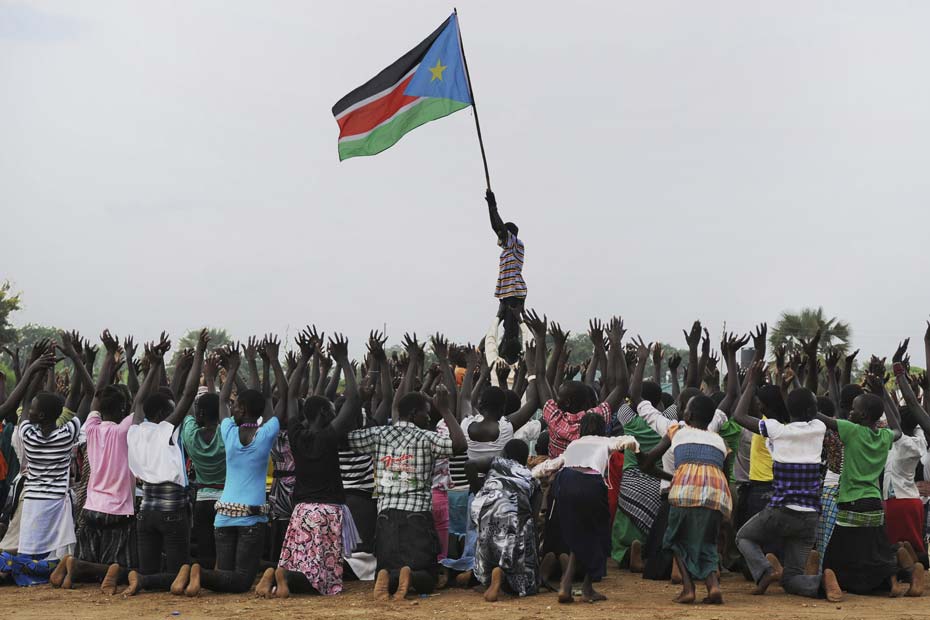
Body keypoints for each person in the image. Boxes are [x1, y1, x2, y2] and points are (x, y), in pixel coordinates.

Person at [255, 332, 361, 597]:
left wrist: (303, 359)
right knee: (323, 581)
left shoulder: (295, 434)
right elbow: (354, 399)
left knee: (301, 564)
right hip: (327, 513)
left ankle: (282, 576)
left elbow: (290, 395)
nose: (335, 414)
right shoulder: (328, 436)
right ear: (325, 414)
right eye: (331, 411)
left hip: (301, 511)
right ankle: (285, 579)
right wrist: (344, 361)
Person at [180, 336, 287, 595]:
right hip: (251, 516)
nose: (233, 407)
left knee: (225, 578)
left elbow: (222, 399)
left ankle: (196, 572)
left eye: (237, 406)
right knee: (240, 582)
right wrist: (270, 361)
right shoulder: (265, 435)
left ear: (240, 410)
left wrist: (230, 370)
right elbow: (280, 397)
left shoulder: (227, 431)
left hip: (224, 514)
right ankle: (199, 574)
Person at [732, 360, 842, 601]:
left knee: (744, 537)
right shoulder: (819, 427)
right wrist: (792, 385)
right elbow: (806, 406)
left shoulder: (776, 430)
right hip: (810, 517)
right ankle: (821, 581)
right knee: (792, 578)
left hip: (781, 511)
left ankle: (765, 570)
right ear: (814, 411)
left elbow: (738, 415)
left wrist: (751, 383)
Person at [346, 380, 466, 600]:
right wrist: (446, 410)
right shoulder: (427, 437)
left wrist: (360, 401)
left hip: (385, 517)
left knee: (388, 566)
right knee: (427, 577)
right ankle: (409, 576)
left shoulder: (379, 434)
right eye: (426, 413)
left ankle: (385, 577)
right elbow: (459, 445)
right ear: (413, 414)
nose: (429, 418)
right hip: (417, 517)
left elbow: (346, 438)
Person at [818, 362, 924, 597]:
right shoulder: (884, 436)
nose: (850, 412)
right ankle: (896, 579)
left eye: (854, 410)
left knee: (835, 555)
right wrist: (883, 395)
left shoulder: (852, 430)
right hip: (875, 504)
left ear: (863, 415)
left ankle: (833, 581)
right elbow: (897, 428)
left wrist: (809, 410)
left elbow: (827, 418)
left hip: (851, 502)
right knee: (874, 550)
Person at [56, 331, 138, 594]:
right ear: (125, 409)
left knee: (91, 560)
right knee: (123, 566)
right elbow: (140, 398)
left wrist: (107, 360)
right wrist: (131, 361)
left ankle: (72, 566)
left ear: (101, 409)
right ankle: (108, 571)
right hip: (119, 511)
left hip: (91, 506)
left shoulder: (91, 428)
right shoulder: (124, 430)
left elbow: (95, 395)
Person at [124, 331, 205, 595]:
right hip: (172, 510)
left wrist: (155, 365)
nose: (175, 411)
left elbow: (139, 400)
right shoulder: (166, 430)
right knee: (176, 574)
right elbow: (190, 393)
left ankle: (141, 579)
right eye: (171, 409)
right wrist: (200, 353)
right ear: (162, 414)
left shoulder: (135, 430)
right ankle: (145, 581)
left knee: (148, 570)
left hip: (146, 509)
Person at [642, 394, 731, 604]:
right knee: (708, 543)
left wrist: (670, 476)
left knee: (674, 540)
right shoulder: (719, 440)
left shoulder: (676, 431)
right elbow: (723, 472)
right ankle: (713, 586)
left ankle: (689, 588)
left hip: (684, 492)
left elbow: (648, 463)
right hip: (716, 494)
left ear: (688, 415)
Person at [553, 413, 638, 603]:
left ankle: (566, 585)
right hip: (591, 483)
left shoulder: (573, 444)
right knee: (599, 535)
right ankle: (587, 587)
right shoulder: (604, 443)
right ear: (603, 430)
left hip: (565, 481)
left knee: (578, 536)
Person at [464, 438, 540, 602]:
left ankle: (481, 576)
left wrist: (479, 490)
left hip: (487, 507)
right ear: (525, 458)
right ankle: (504, 576)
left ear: (504, 453)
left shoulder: (495, 462)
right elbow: (532, 519)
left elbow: (469, 465)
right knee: (525, 570)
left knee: (486, 542)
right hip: (515, 512)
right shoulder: (531, 476)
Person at [179, 352, 225, 571]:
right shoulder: (227, 435)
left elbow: (187, 404)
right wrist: (211, 380)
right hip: (225, 499)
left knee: (205, 549)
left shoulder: (190, 435)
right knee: (224, 550)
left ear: (200, 413)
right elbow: (220, 407)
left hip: (202, 499)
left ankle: (202, 577)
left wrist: (194, 371)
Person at [486, 189, 526, 365]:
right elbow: (496, 227)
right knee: (506, 327)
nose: (499, 239)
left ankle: (510, 360)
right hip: (507, 292)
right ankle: (505, 356)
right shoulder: (507, 249)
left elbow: (498, 227)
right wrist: (490, 207)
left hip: (514, 291)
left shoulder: (515, 243)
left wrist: (492, 206)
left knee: (511, 329)